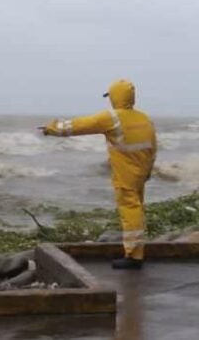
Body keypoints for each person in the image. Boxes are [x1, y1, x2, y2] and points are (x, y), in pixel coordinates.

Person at [41, 79, 157, 269]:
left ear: (115, 97)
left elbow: (78, 126)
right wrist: (149, 170)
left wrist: (52, 128)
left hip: (125, 174)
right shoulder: (145, 118)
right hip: (141, 172)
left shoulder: (111, 118)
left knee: (130, 211)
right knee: (137, 210)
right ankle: (137, 251)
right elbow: (153, 146)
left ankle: (134, 257)